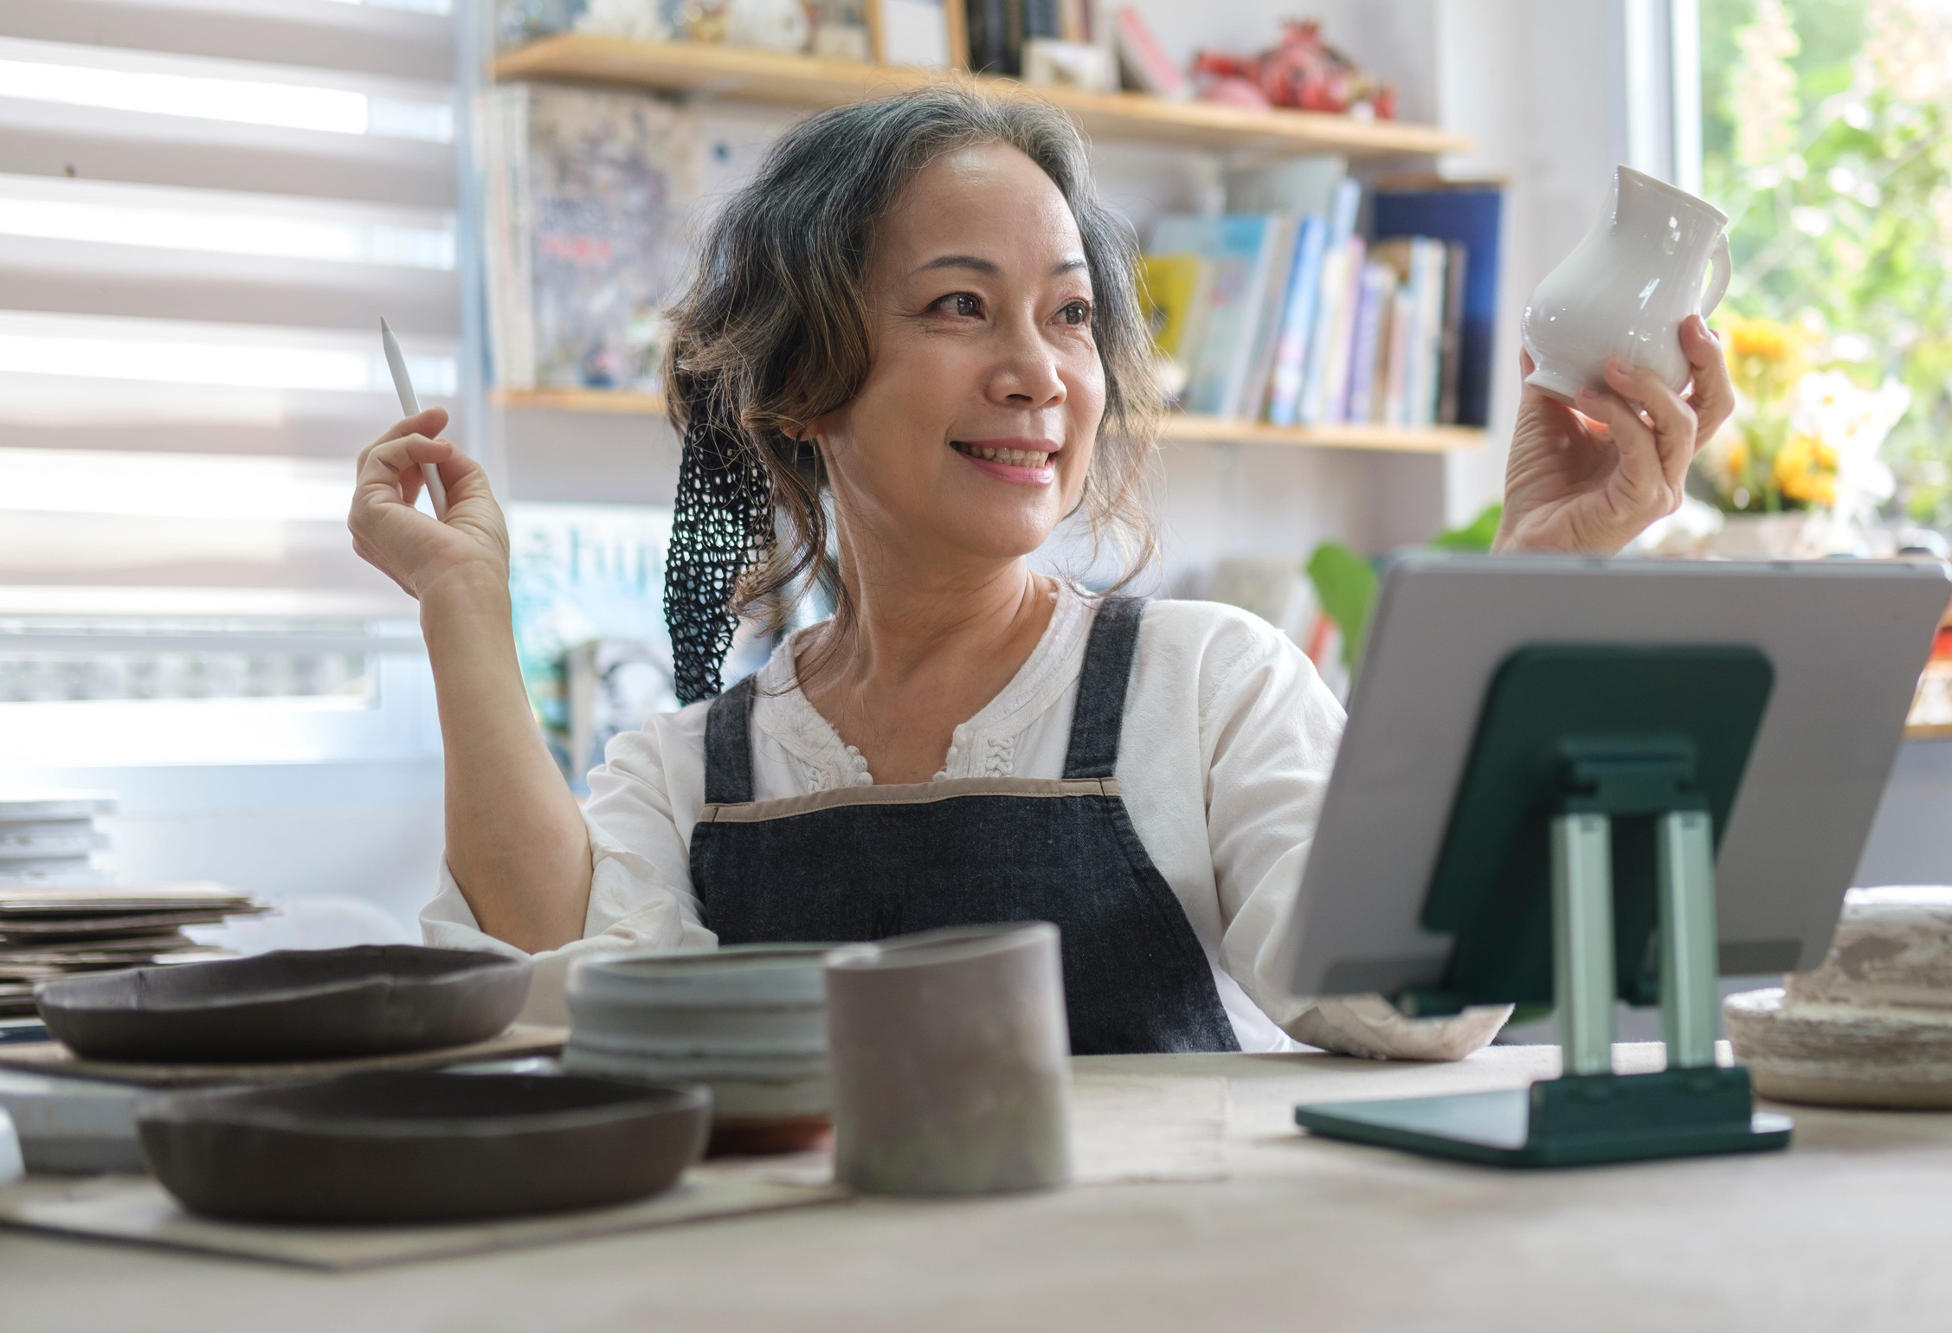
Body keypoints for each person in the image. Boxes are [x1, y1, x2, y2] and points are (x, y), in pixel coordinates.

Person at [348, 85, 1736, 1054]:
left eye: (1069, 315)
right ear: (802, 384)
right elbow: (555, 998)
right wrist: (464, 606)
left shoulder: (1208, 684)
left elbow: (1413, 1004)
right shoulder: (689, 771)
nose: (1038, 373)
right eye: (961, 304)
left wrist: (1538, 570)